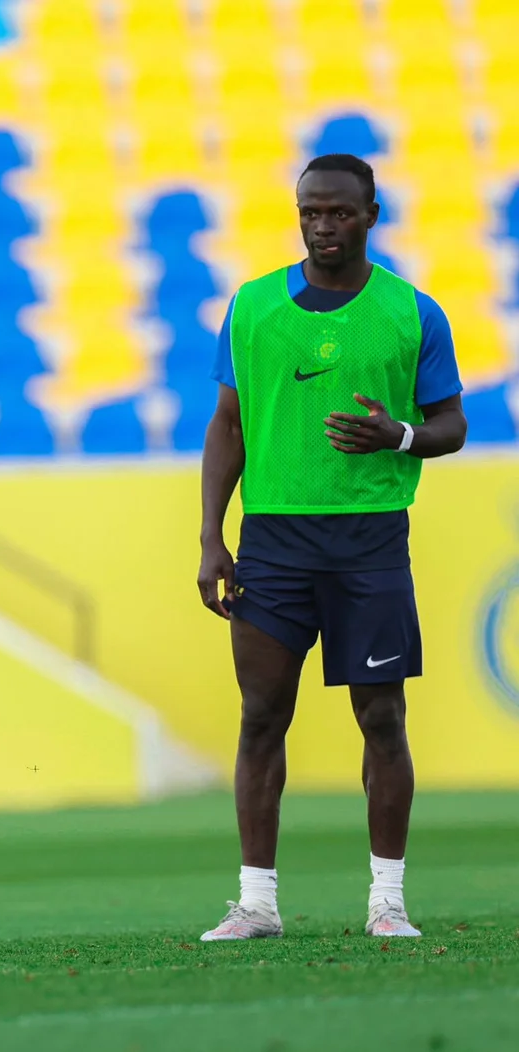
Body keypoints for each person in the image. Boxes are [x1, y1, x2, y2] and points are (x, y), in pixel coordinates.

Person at [196, 153, 467, 941]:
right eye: (310, 212)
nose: (322, 226)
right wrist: (212, 536)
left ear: (371, 214)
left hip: (370, 539)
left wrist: (399, 435)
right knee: (260, 716)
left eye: (339, 212)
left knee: (382, 716)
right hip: (273, 540)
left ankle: (388, 900)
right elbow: (229, 424)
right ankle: (256, 903)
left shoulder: (413, 313)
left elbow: (452, 424)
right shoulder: (253, 306)